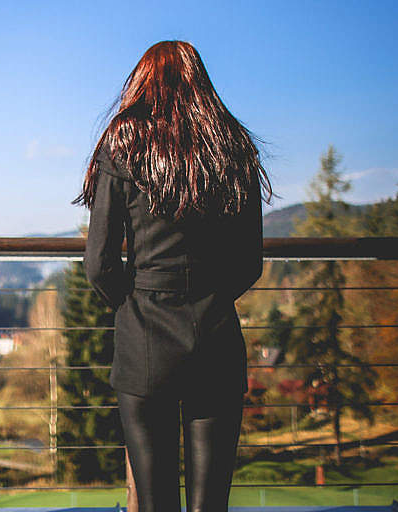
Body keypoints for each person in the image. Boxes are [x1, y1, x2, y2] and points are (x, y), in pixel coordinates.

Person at [73, 40, 272, 512]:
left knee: (156, 500)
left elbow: (99, 264)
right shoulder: (233, 145)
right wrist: (210, 296)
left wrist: (135, 302)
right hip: (217, 336)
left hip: (145, 336)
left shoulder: (124, 143)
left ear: (142, 82)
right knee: (211, 504)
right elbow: (249, 263)